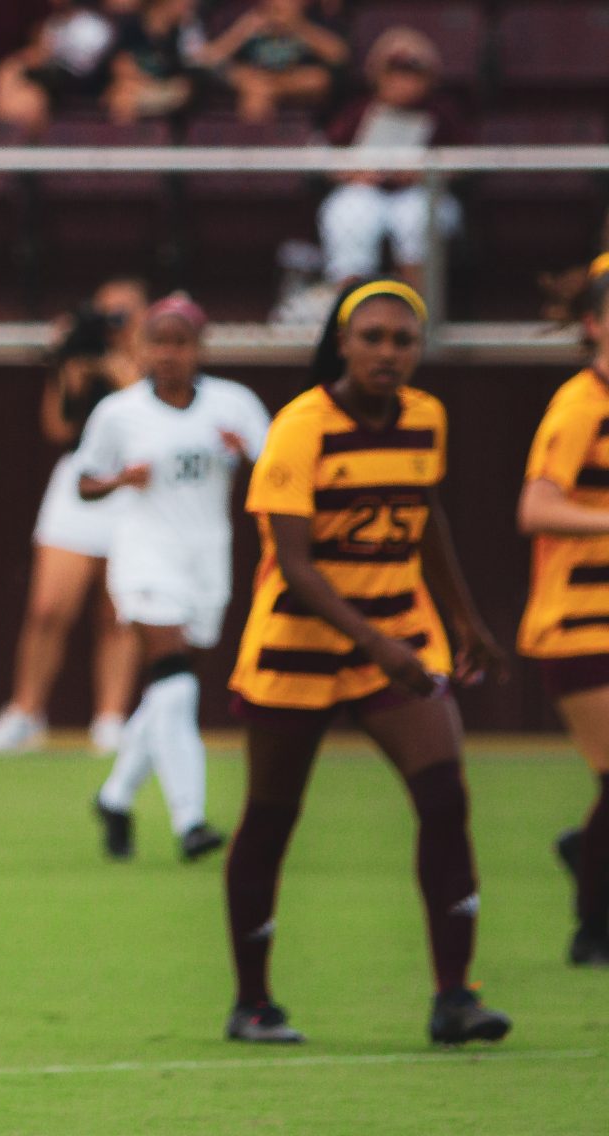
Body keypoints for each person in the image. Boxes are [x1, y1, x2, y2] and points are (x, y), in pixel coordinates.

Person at [222, 279, 511, 1047]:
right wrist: (382, 646)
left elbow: (427, 516)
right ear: (343, 343)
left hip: (397, 640)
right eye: (373, 337)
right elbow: (294, 564)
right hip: (299, 646)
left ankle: (456, 997)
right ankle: (253, 1002)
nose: (389, 353)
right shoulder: (300, 427)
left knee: (445, 800)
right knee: (272, 818)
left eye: (403, 340)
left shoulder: (426, 418)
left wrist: (465, 619)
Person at [71, 294, 272, 862]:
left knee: (169, 694)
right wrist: (117, 481)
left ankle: (114, 797)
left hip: (207, 557)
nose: (169, 353)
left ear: (200, 347)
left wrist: (249, 453)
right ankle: (191, 820)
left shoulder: (234, 405)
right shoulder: (121, 412)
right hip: (145, 555)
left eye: (180, 342)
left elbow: (282, 464)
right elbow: (84, 482)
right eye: (158, 341)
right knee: (177, 683)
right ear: (141, 347)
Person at [0, 277, 148, 754]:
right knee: (48, 608)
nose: (114, 323)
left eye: (125, 313)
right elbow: (57, 427)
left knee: (118, 614)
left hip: (131, 487)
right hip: (79, 485)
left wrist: (121, 371)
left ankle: (111, 719)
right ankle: (26, 712)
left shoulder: (156, 358)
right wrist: (69, 370)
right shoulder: (81, 354)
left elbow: (153, 422)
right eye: (106, 312)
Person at [513, 253, 609, 967]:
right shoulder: (581, 404)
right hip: (575, 620)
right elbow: (537, 505)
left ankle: (588, 849)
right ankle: (592, 927)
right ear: (594, 324)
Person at [317, 30, 464, 289]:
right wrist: (352, 173)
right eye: (394, 72)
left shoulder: (443, 112)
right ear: (378, 75)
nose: (402, 81)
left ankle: (415, 311)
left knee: (417, 216)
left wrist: (425, 173)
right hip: (366, 191)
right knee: (348, 213)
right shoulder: (358, 109)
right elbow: (325, 153)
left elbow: (466, 162)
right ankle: (351, 310)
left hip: (420, 193)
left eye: (412, 73)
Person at [194, 0, 345, 125]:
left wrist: (298, 27)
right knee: (253, 93)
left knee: (317, 78)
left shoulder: (314, 17)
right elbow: (208, 58)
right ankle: (258, 148)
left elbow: (339, 55)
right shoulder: (246, 19)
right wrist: (244, 29)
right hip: (253, 77)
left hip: (292, 80)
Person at [0, 0, 119, 135]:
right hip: (50, 80)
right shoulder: (50, 23)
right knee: (16, 83)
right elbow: (39, 55)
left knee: (30, 99)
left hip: (83, 84)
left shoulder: (94, 26)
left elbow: (86, 68)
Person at [107, 0, 209, 123]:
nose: (190, 8)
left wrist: (155, 92)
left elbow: (187, 79)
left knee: (183, 90)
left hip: (163, 92)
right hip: (136, 87)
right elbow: (121, 67)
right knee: (122, 95)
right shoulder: (131, 26)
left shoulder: (182, 32)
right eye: (184, 3)